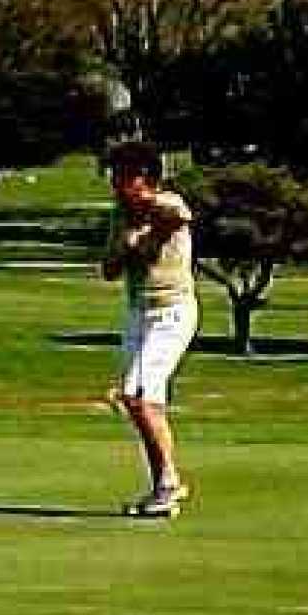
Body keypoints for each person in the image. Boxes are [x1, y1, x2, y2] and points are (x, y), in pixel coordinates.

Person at [100, 141, 197, 518]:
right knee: (134, 398)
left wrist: (146, 221)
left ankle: (168, 483)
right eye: (115, 177)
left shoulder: (167, 202)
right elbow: (108, 271)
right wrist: (126, 246)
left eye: (126, 177)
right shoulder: (118, 216)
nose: (118, 184)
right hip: (138, 314)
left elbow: (178, 215)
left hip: (173, 311)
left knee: (140, 397)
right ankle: (163, 485)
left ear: (147, 180)